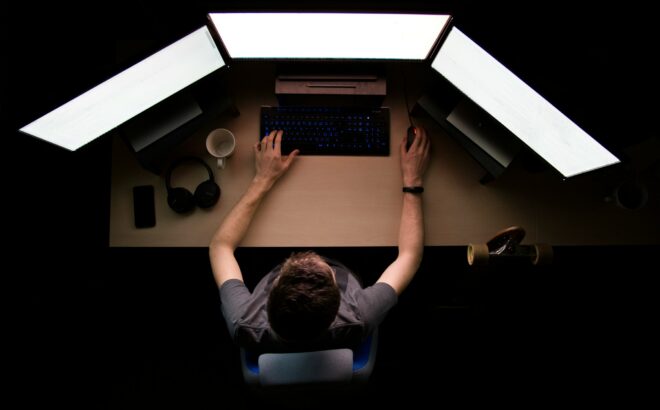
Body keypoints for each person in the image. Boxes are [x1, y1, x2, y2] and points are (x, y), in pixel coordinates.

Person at [209, 127, 430, 351]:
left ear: (271, 291)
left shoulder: (243, 324)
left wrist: (262, 179)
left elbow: (220, 247)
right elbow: (410, 257)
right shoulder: (359, 316)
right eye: (327, 272)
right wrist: (413, 179)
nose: (314, 255)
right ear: (338, 302)